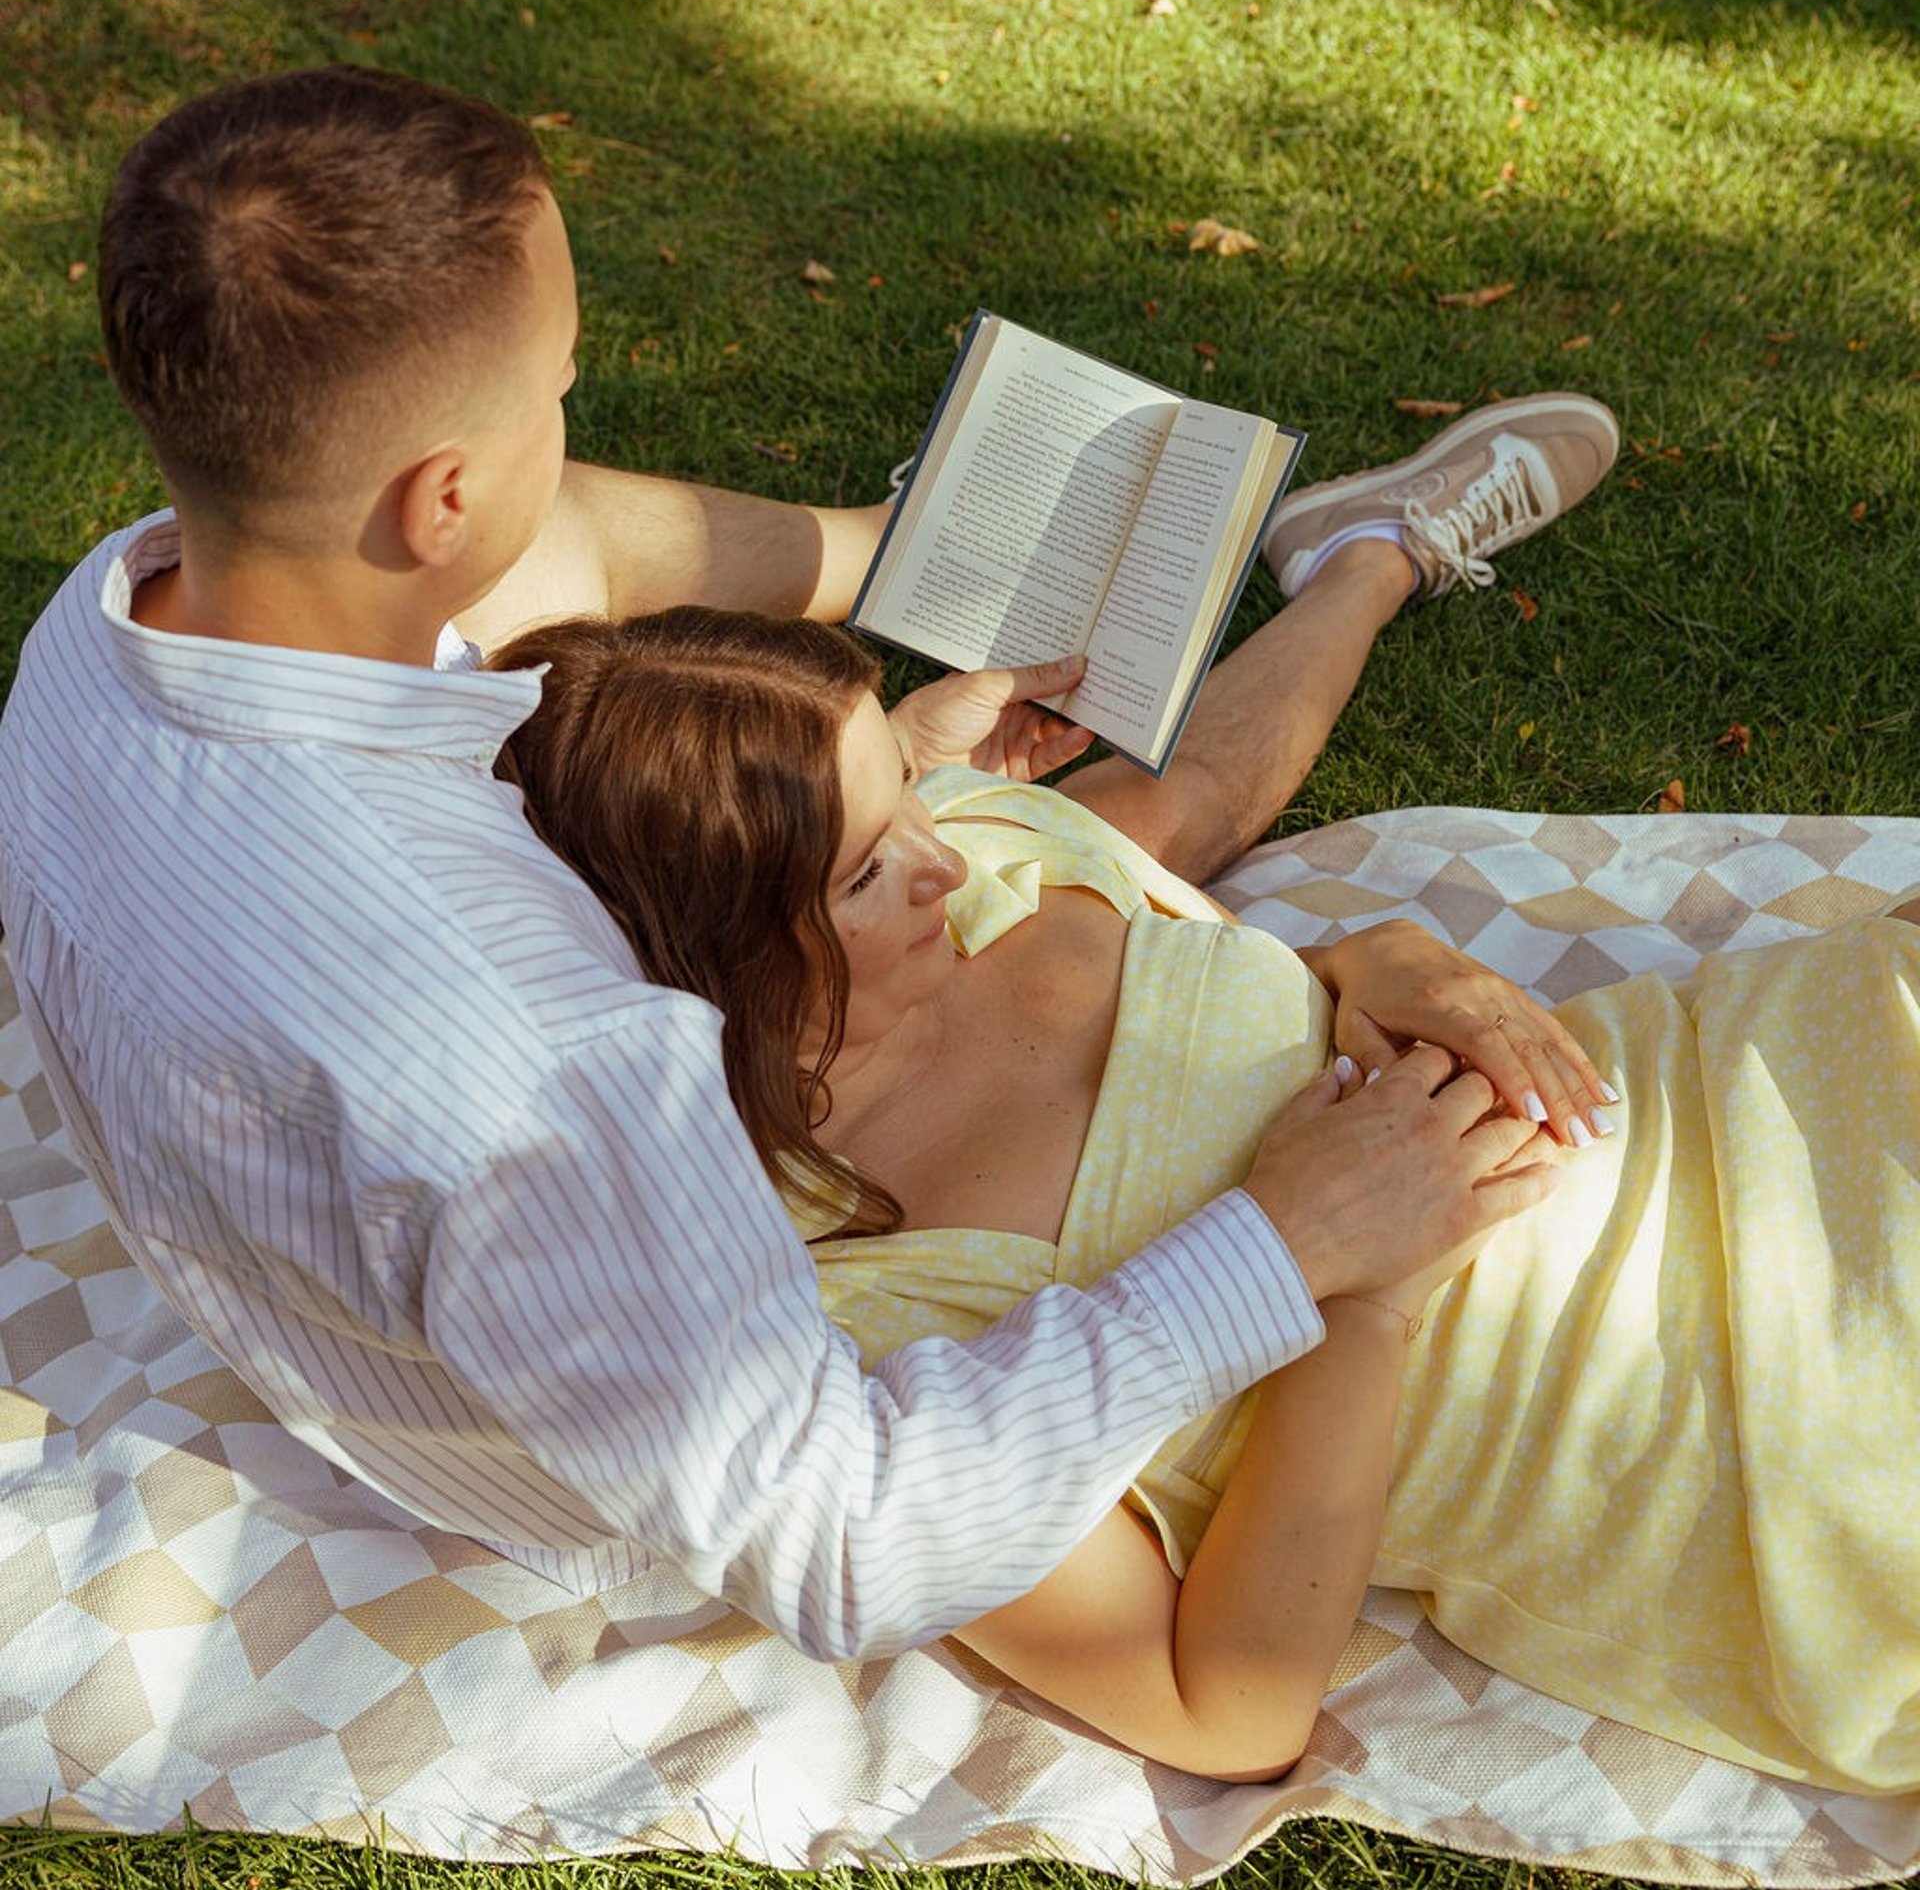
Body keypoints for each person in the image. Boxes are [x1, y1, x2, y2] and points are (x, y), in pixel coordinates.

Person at [0, 64, 1608, 1665]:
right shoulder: (550, 1066)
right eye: (556, 391)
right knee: (1118, 853)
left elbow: (551, 546)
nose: (569, 414)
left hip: (415, 1133)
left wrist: (875, 640)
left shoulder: (115, 616)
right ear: (444, 498)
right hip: (576, 1416)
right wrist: (1293, 1248)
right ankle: (1364, 560)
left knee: (1106, 841)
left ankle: (1355, 560)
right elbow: (849, 1538)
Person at [495, 606, 1920, 1797]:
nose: (943, 852)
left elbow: (1248, 908)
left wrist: (1383, 954)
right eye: (869, 868)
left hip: (1734, 1081)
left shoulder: (993, 855)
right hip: (1734, 1423)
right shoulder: (842, 1327)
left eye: (910, 791)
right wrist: (1359, 1297)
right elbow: (1224, 1708)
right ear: (717, 965)